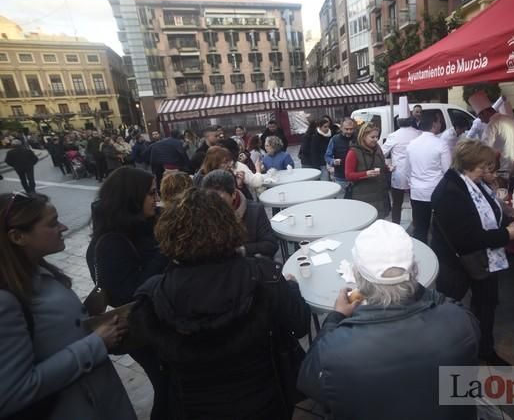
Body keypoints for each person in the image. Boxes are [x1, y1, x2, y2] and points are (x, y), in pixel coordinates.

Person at [129, 188, 310, 419]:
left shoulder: (152, 295)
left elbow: (153, 356)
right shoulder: (265, 277)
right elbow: (301, 323)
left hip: (192, 409)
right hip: (263, 402)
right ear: (229, 226)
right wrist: (290, 287)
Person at [298, 220, 481, 420]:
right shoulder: (459, 322)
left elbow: (309, 382)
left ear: (358, 277)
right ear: (414, 270)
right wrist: (410, 283)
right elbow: (448, 303)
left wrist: (336, 317)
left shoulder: (334, 349)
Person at [0, 192, 136, 419]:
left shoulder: (37, 271)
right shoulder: (6, 300)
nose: (63, 227)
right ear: (17, 237)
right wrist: (96, 343)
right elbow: (13, 392)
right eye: (52, 223)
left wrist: (87, 319)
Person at [431, 139, 514, 366]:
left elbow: (490, 212)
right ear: (467, 165)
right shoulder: (451, 191)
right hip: (457, 262)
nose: (487, 171)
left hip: (483, 259)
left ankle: (485, 348)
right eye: (483, 166)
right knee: (448, 306)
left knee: (486, 303)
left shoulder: (474, 183)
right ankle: (446, 351)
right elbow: (467, 239)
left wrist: (509, 221)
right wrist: (507, 235)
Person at [86, 167, 170, 420]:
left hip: (164, 321)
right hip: (146, 331)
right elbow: (130, 294)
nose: (156, 199)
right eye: (151, 193)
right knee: (169, 390)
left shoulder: (144, 224)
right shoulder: (110, 243)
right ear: (130, 199)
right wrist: (163, 250)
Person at [202, 169, 278, 258]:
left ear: (233, 194)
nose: (214, 204)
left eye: (219, 199)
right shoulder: (204, 214)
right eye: (209, 199)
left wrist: (242, 250)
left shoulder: (254, 211)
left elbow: (271, 245)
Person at [406, 112, 450, 243]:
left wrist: (412, 184)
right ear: (434, 124)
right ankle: (439, 256)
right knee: (439, 228)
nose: (440, 124)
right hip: (437, 192)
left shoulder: (411, 144)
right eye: (439, 121)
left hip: (417, 192)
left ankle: (423, 256)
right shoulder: (441, 144)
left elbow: (408, 170)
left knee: (420, 229)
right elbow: (447, 171)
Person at [345, 122, 391, 217]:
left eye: (377, 137)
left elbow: (380, 166)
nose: (376, 140)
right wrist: (365, 174)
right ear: (363, 136)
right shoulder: (353, 153)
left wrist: (387, 168)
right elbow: (348, 175)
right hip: (363, 197)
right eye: (372, 137)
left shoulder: (377, 148)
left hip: (381, 195)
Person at [468, 90, 514, 173]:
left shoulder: (491, 126)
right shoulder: (509, 119)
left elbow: (485, 150)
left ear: (485, 113)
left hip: (502, 169)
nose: (481, 121)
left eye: (480, 117)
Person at [382, 117, 421, 224]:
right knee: (415, 202)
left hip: (399, 173)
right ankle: (416, 224)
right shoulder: (419, 133)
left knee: (397, 203)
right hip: (416, 172)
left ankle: (396, 226)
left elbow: (382, 153)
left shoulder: (394, 136)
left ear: (398, 123)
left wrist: (388, 165)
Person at [325, 117, 356, 194]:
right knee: (341, 201)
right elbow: (327, 156)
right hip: (340, 177)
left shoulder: (357, 138)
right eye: (346, 129)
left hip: (355, 177)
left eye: (351, 129)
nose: (349, 131)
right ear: (341, 128)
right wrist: (333, 161)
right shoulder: (334, 139)